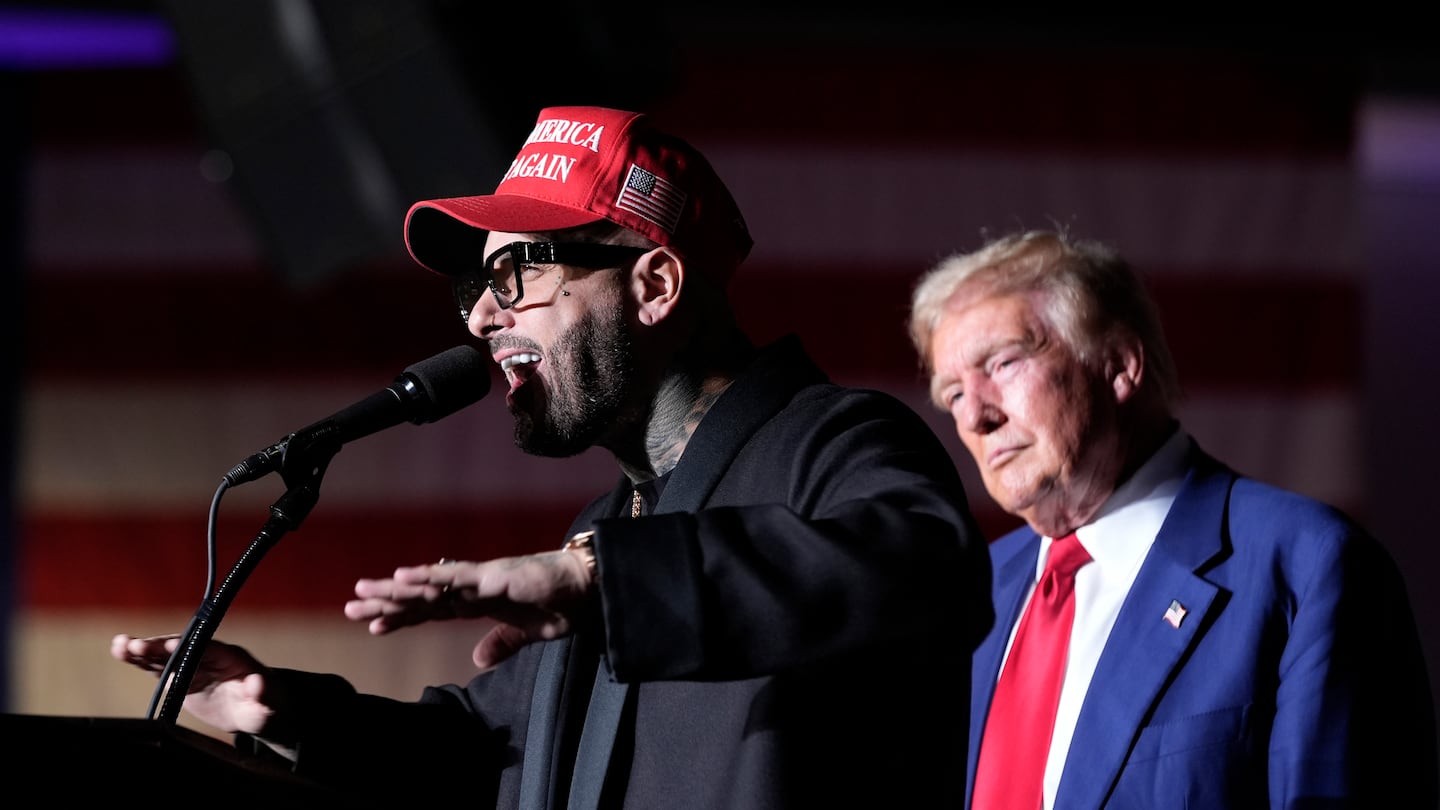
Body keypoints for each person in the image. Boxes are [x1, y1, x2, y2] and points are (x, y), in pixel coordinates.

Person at [112, 105, 993, 808]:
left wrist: (600, 582)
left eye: (517, 275)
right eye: (476, 286)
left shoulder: (837, 443)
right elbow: (490, 753)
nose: (479, 319)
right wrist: (286, 713)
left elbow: (927, 571)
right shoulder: (609, 525)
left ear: (654, 286)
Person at [906, 228, 1439, 809]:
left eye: (1003, 362)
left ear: (1119, 364)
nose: (976, 416)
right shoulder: (966, 594)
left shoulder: (1308, 564)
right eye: (953, 393)